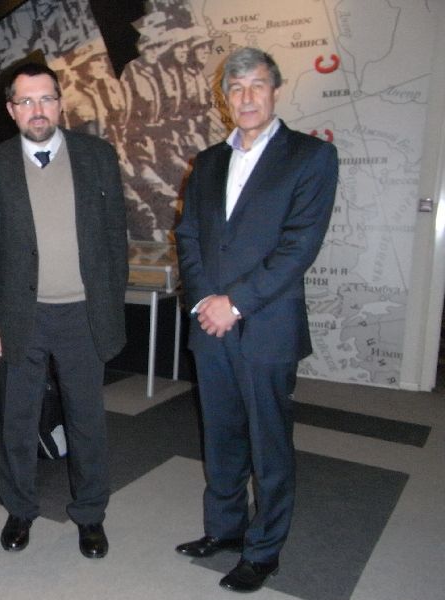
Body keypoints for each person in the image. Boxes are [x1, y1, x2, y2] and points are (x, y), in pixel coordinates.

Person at [175, 47, 338, 592]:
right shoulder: (207, 161)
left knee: (269, 445)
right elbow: (189, 237)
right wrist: (203, 300)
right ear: (225, 97)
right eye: (236, 87)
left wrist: (234, 302)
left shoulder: (310, 158)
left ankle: (264, 550)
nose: (246, 97)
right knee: (220, 438)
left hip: (266, 328)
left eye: (257, 86)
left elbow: (298, 247)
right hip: (210, 328)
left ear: (275, 90)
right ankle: (225, 529)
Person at [0, 62, 128, 559]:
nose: (38, 110)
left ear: (61, 103)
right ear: (12, 110)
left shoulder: (98, 156)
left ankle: (91, 514)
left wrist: (108, 302)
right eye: (27, 101)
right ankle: (20, 509)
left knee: (87, 421)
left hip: (82, 314)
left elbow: (114, 241)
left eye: (47, 99)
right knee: (17, 419)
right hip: (22, 315)